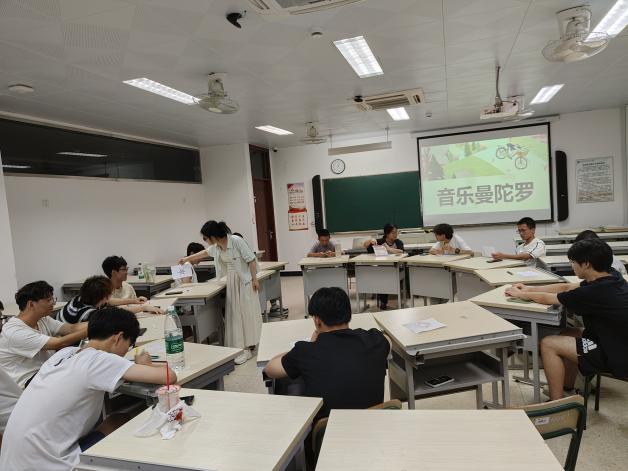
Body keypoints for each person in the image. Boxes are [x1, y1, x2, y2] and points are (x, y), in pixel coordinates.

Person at [0, 307, 176, 471]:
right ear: (118, 337)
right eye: (129, 344)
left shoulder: (64, 354)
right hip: (48, 464)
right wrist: (146, 365)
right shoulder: (99, 360)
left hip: (12, 461)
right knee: (120, 421)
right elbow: (169, 376)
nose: (126, 351)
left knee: (111, 419)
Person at [505, 239, 628, 401]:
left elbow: (549, 299)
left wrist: (521, 295)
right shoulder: (612, 276)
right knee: (568, 333)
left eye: (573, 262)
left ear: (586, 264)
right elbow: (566, 287)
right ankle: (567, 387)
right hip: (615, 341)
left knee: (548, 343)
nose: (572, 266)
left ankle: (557, 403)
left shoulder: (594, 291)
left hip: (615, 355)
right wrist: (529, 289)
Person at [263, 287, 389, 419]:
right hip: (372, 426)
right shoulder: (375, 340)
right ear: (348, 314)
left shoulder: (305, 352)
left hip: (326, 430)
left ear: (317, 320)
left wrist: (309, 344)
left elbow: (269, 369)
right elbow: (388, 341)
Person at [179, 221, 261, 365]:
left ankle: (248, 346)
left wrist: (255, 279)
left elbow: (251, 260)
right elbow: (205, 252)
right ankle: (240, 347)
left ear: (212, 236)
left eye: (206, 238)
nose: (205, 241)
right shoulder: (217, 246)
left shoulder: (236, 241)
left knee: (245, 314)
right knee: (235, 315)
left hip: (244, 281)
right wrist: (187, 259)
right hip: (231, 281)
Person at [0, 281, 88, 388]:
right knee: (80, 376)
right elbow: (59, 343)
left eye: (52, 299)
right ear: (31, 304)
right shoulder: (14, 331)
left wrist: (98, 321)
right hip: (27, 381)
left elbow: (70, 328)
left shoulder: (42, 319)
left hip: (46, 370)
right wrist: (93, 328)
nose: (53, 303)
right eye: (48, 300)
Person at [363, 223, 404, 309]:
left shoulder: (398, 242)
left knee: (389, 276)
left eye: (396, 232)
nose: (395, 234)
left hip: (395, 268)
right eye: (393, 233)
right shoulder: (380, 241)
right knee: (381, 277)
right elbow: (365, 245)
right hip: (383, 268)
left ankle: (399, 299)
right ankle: (383, 302)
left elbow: (401, 251)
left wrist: (389, 249)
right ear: (387, 234)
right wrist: (370, 240)